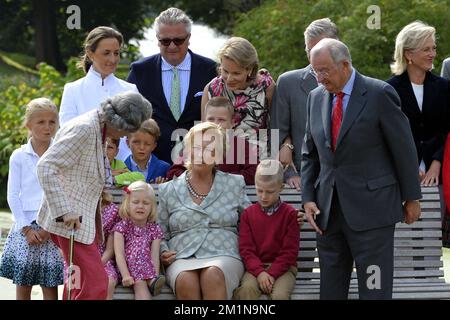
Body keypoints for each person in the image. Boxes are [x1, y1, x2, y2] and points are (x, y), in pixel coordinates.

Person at [301, 38, 422, 299]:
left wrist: (412, 197)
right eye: (314, 71)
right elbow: (309, 154)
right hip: (328, 213)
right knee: (330, 291)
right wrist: (308, 198)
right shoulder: (315, 98)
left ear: (345, 65)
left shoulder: (379, 94)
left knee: (374, 289)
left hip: (373, 213)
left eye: (324, 70)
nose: (319, 78)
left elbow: (404, 149)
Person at [36, 91, 152, 300]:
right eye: (126, 131)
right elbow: (45, 166)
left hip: (80, 222)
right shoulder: (85, 129)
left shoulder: (98, 128)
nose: (125, 137)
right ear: (118, 122)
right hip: (70, 222)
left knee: (78, 281)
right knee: (96, 282)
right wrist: (64, 211)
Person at [158, 122, 251, 300]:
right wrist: (163, 251)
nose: (201, 154)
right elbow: (159, 231)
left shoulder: (234, 183)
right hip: (181, 255)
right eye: (197, 147)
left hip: (224, 253)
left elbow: (253, 219)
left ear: (219, 155)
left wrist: (283, 215)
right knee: (186, 279)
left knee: (212, 274)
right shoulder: (168, 190)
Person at [127, 7, 217, 164]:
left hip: (198, 163)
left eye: (178, 40)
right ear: (157, 39)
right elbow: (128, 117)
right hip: (151, 164)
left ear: (189, 38)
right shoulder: (140, 71)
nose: (172, 46)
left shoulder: (210, 70)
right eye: (165, 41)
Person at [0, 98, 64, 300]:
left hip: (51, 227)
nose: (47, 127)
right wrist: (26, 228)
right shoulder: (19, 156)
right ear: (28, 124)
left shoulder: (60, 154)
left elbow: (63, 192)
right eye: (41, 122)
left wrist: (49, 228)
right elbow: (13, 195)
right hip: (25, 227)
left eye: (52, 122)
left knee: (49, 284)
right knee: (24, 283)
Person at [270, 18, 339, 190]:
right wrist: (289, 173)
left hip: (346, 180)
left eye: (320, 49)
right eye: (310, 50)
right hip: (302, 179)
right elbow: (275, 134)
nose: (314, 56)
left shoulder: (355, 84)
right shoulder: (288, 83)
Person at [59, 26, 138, 160]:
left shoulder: (130, 90)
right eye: (106, 53)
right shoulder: (73, 90)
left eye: (116, 53)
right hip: (83, 168)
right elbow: (68, 135)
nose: (113, 59)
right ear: (90, 53)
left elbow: (138, 136)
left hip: (124, 171)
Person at [387, 21, 450, 189]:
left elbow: (447, 131)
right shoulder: (388, 90)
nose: (432, 54)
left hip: (440, 177)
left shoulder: (444, 87)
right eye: (426, 49)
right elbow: (389, 135)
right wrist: (408, 167)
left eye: (433, 48)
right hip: (401, 179)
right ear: (408, 54)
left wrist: (437, 163)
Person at [233, 159, 299, 300]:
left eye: (269, 192)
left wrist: (271, 273)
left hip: (284, 269)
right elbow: (246, 249)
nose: (263, 196)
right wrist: (260, 272)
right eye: (259, 190)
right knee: (246, 291)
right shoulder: (248, 215)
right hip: (255, 267)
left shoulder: (290, 215)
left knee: (280, 296)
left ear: (281, 188)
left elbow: (289, 252)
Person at [201, 36, 275, 160]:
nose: (229, 78)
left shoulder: (266, 88)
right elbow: (204, 132)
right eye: (225, 71)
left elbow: (278, 126)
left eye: (236, 73)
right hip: (222, 160)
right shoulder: (211, 89)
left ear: (250, 70)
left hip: (258, 160)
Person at [166, 96, 258, 184]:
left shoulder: (240, 145)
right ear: (203, 121)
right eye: (211, 119)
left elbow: (254, 173)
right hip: (198, 195)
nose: (216, 124)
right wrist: (198, 177)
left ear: (233, 122)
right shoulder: (195, 144)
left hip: (229, 195)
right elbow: (173, 172)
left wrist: (220, 178)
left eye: (221, 120)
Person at [113, 181, 166, 300]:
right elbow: (119, 254)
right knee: (140, 284)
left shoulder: (154, 228)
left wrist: (155, 274)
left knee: (147, 278)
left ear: (152, 207)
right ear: (127, 204)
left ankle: (153, 281)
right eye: (135, 202)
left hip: (148, 268)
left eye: (146, 203)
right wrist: (126, 275)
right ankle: (150, 283)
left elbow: (154, 255)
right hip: (129, 269)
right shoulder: (122, 226)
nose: (141, 206)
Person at [125, 119, 170, 184]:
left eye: (147, 144)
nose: (141, 147)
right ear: (127, 142)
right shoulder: (121, 169)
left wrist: (160, 188)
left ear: (154, 146)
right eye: (136, 142)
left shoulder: (164, 168)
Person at [98, 191, 121, 300]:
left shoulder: (112, 211)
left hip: (102, 259)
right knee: (76, 282)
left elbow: (110, 249)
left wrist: (97, 265)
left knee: (109, 281)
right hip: (77, 259)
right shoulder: (73, 208)